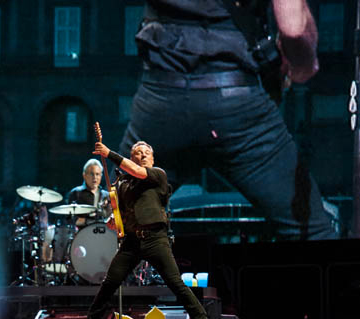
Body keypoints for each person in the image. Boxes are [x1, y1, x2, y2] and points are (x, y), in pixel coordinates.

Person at [118, 0, 336, 241]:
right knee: (311, 231)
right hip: (236, 104)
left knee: (114, 227)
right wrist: (305, 63)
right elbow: (293, 27)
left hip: (160, 101)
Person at [78, 140, 211, 319]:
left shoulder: (157, 175)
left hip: (155, 239)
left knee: (175, 283)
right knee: (109, 283)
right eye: (138, 153)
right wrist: (114, 220)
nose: (142, 155)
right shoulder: (123, 184)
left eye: (146, 153)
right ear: (132, 158)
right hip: (132, 242)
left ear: (152, 159)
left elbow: (138, 171)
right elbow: (121, 212)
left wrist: (109, 153)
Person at [67, 158, 111, 227]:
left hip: (103, 231)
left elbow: (109, 217)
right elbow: (69, 219)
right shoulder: (75, 193)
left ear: (101, 176)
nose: (95, 177)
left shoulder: (106, 195)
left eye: (97, 174)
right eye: (91, 174)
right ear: (84, 175)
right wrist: (85, 221)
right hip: (82, 231)